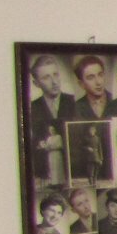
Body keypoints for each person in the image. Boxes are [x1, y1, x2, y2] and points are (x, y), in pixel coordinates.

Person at [27, 54, 75, 183]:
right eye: (46, 77)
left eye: (55, 74)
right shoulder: (31, 108)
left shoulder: (75, 102)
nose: (54, 82)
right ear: (36, 83)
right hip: (47, 165)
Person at [71, 55, 112, 120]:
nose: (98, 82)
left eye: (100, 75)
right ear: (81, 84)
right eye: (91, 78)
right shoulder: (75, 109)